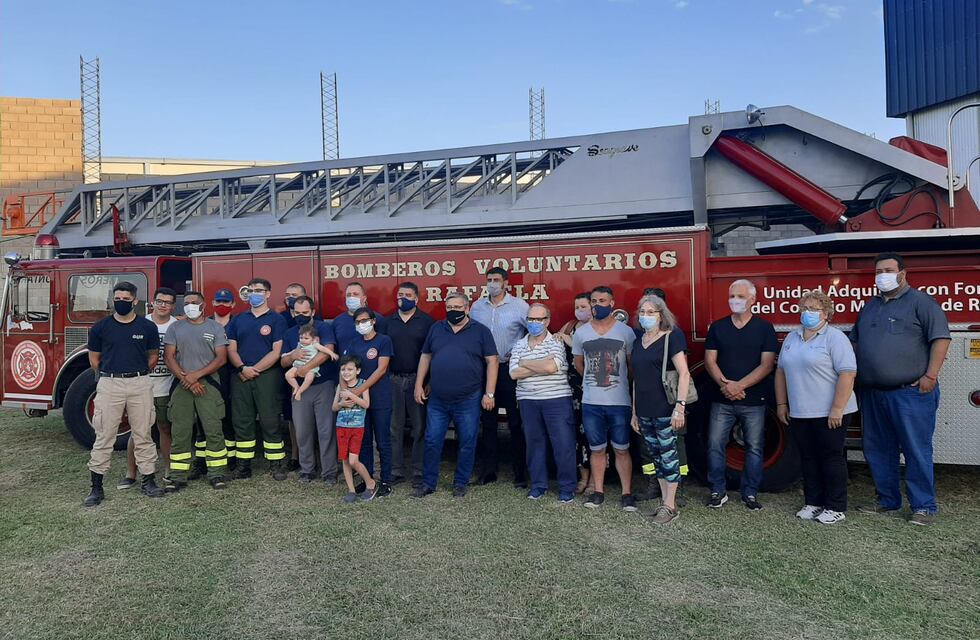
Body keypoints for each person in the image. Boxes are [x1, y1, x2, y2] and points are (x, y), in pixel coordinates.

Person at [850, 253, 951, 526]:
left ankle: (923, 507)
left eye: (888, 270)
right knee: (878, 450)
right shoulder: (870, 307)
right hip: (873, 393)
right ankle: (887, 501)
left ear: (902, 273)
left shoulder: (921, 302)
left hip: (910, 393)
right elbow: (857, 343)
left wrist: (931, 375)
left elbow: (941, 338)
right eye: (878, 270)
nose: (882, 275)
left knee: (916, 450)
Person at [775, 290, 857, 525]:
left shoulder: (835, 338)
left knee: (831, 457)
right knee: (808, 458)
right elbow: (780, 371)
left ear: (826, 313)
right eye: (804, 308)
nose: (807, 313)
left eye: (813, 309)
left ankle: (835, 506)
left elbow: (848, 373)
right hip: (801, 411)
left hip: (830, 412)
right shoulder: (792, 338)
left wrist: (837, 409)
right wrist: (782, 404)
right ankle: (813, 502)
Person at [83, 281, 165, 506]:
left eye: (125, 300)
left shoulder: (147, 328)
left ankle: (148, 481)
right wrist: (111, 376)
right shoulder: (100, 327)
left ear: (135, 302)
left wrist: (137, 374)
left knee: (143, 434)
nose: (120, 303)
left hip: (140, 383)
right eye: (117, 299)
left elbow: (153, 356)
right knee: (104, 435)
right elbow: (94, 359)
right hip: (110, 384)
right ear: (112, 300)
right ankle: (96, 488)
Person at [413, 292, 498, 499]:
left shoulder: (481, 331)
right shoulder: (436, 328)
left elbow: (492, 362)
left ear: (467, 308)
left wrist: (489, 393)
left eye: (458, 307)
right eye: (449, 307)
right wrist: (419, 384)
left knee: (467, 442)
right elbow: (426, 356)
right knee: (432, 440)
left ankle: (460, 483)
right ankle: (428, 483)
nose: (453, 311)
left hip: (468, 398)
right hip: (438, 400)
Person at [704, 279, 778, 511]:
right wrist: (725, 385)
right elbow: (709, 360)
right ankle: (717, 490)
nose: (735, 301)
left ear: (753, 300)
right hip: (721, 400)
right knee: (715, 445)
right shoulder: (718, 327)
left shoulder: (764, 328)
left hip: (754, 401)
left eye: (740, 296)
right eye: (732, 296)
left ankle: (750, 493)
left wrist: (738, 386)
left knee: (755, 447)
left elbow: (767, 365)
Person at [571, 285, 638, 511]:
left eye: (602, 301)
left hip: (619, 403)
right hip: (592, 402)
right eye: (594, 301)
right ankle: (598, 492)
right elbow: (579, 364)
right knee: (596, 449)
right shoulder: (581, 333)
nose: (597, 305)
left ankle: (626, 493)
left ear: (612, 303)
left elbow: (631, 367)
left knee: (621, 448)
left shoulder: (626, 332)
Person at [630, 295, 691, 525]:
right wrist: (635, 412)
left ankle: (670, 505)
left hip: (665, 408)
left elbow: (684, 374)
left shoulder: (671, 338)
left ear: (661, 315)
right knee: (656, 458)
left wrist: (680, 407)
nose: (645, 316)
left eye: (651, 312)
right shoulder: (639, 340)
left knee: (669, 456)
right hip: (645, 410)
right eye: (642, 312)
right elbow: (636, 379)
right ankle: (666, 503)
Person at [162, 291, 231, 491]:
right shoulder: (175, 327)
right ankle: (177, 476)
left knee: (213, 430)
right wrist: (188, 379)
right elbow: (169, 357)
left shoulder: (215, 328)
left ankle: (217, 474)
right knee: (180, 431)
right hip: (182, 385)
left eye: (195, 303)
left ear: (203, 306)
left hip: (208, 385)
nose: (190, 306)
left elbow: (221, 358)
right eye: (187, 303)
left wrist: (197, 375)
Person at [509, 303, 577, 503]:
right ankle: (538, 486)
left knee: (563, 445)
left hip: (556, 400)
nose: (534, 323)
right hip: (528, 400)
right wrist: (539, 365)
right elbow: (514, 373)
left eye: (539, 319)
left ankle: (567, 488)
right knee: (534, 445)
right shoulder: (519, 344)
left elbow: (552, 366)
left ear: (547, 321)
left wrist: (525, 363)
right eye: (530, 319)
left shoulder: (556, 341)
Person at [470, 267, 530, 487]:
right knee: (488, 422)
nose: (492, 284)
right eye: (489, 280)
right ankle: (489, 471)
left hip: (509, 370)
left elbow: (535, 330)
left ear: (506, 283)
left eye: (496, 280)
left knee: (516, 422)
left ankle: (520, 473)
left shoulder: (520, 307)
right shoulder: (477, 307)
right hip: (484, 370)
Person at [227, 278, 288, 480]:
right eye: (251, 290)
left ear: (268, 294)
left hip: (267, 376)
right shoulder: (238, 319)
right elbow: (231, 348)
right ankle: (244, 466)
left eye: (259, 290)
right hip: (241, 375)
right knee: (242, 420)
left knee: (270, 419)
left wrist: (255, 369)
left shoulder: (277, 319)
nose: (255, 294)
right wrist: (242, 368)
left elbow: (276, 351)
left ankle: (276, 464)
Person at [118, 287, 178, 489]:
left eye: (168, 302)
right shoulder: (138, 323)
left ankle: (169, 469)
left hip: (166, 386)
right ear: (152, 302)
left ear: (173, 306)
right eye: (160, 301)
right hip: (140, 386)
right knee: (138, 432)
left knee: (165, 428)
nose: (163, 305)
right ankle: (131, 473)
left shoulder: (177, 326)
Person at [280, 297, 340, 485]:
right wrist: (293, 356)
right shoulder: (290, 333)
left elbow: (327, 350)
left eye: (305, 313)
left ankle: (329, 471)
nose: (300, 316)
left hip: (323, 385)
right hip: (299, 389)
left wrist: (306, 368)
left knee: (326, 430)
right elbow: (282, 362)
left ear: (313, 312)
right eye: (297, 313)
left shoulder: (323, 328)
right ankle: (307, 469)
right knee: (302, 431)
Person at [386, 282, 435, 486]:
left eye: (407, 295)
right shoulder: (388, 321)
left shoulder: (427, 322)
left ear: (417, 298)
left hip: (418, 380)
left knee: (419, 427)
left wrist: (428, 382)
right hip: (393, 379)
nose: (403, 298)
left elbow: (433, 353)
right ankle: (395, 470)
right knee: (394, 428)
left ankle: (418, 471)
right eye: (400, 294)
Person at [342, 307, 395, 496]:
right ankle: (367, 480)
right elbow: (345, 369)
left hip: (380, 398)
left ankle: (386, 481)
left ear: (373, 321)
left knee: (382, 441)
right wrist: (347, 393)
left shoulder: (383, 341)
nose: (361, 324)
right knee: (363, 442)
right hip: (359, 401)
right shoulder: (354, 343)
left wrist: (358, 390)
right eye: (357, 322)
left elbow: (381, 370)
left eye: (364, 320)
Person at [556, 292, 594, 494]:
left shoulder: (598, 329)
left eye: (583, 307)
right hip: (568, 389)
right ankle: (583, 477)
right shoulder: (570, 326)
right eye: (577, 307)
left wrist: (571, 342)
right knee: (574, 435)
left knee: (591, 434)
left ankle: (596, 480)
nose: (579, 311)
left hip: (590, 388)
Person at [332, 355, 378, 503]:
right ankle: (351, 490)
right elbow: (334, 407)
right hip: (341, 427)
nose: (346, 372)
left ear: (357, 371)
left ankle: (370, 483)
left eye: (350, 369)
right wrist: (342, 403)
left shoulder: (363, 384)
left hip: (356, 428)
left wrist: (351, 395)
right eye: (343, 369)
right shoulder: (340, 387)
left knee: (353, 460)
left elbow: (366, 404)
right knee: (345, 460)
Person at [284, 323, 338, 401]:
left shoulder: (314, 344)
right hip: (298, 365)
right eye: (301, 337)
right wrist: (286, 354)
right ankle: (296, 387)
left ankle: (300, 391)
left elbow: (323, 349)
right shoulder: (300, 345)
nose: (303, 340)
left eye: (306, 338)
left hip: (311, 368)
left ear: (313, 339)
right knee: (288, 375)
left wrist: (331, 353)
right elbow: (293, 351)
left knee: (309, 379)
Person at [333, 282, 388, 354]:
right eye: (348, 295)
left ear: (364, 298)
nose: (351, 297)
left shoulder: (377, 319)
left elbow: (383, 347)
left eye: (355, 294)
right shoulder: (337, 321)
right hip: (344, 364)